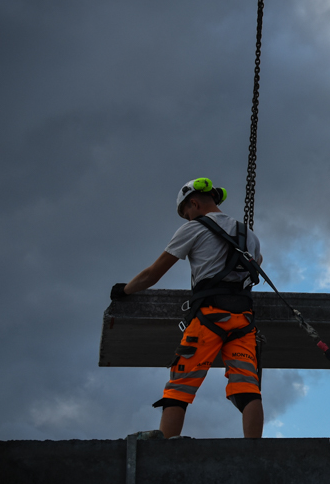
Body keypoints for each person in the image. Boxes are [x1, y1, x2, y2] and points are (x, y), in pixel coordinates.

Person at [111, 178, 264, 439]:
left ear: (194, 203)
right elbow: (256, 264)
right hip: (243, 321)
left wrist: (124, 290)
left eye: (186, 213)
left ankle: (164, 452)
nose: (187, 218)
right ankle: (254, 451)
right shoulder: (249, 235)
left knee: (179, 388)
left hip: (208, 317)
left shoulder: (194, 228)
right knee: (248, 387)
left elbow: (153, 273)